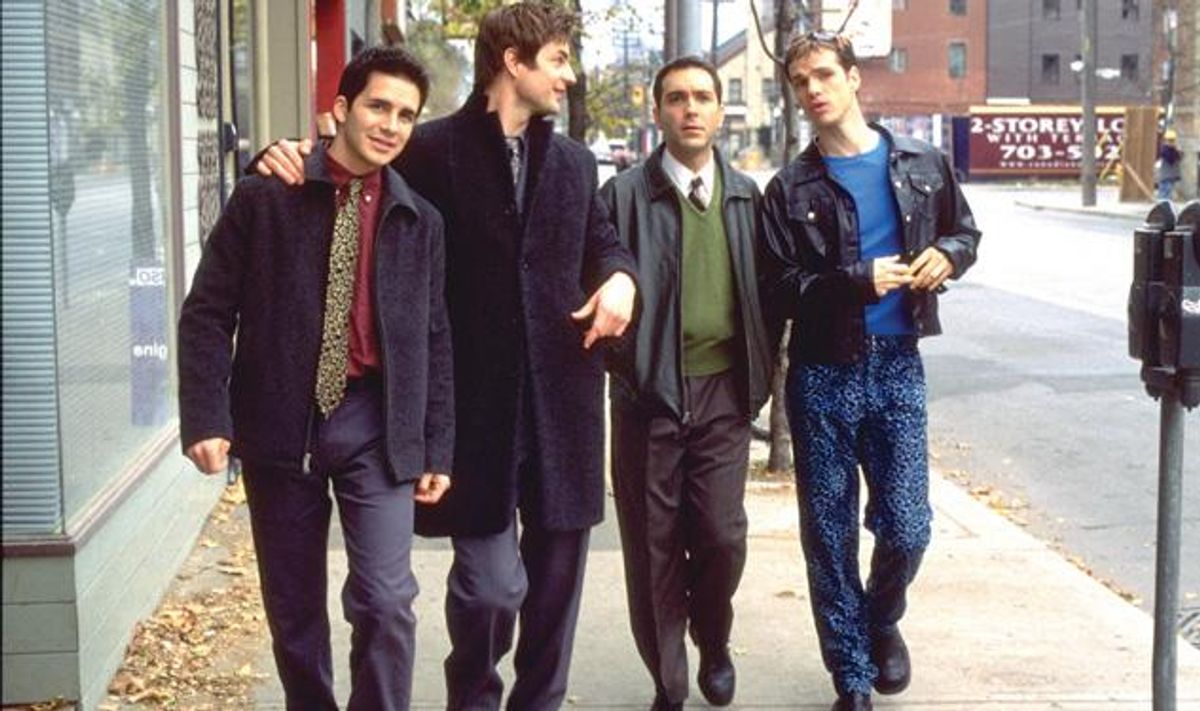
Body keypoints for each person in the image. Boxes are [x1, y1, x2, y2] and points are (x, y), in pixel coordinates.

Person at [253, 4, 637, 709]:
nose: (569, 76)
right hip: (471, 412)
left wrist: (621, 278)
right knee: (491, 590)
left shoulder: (577, 165)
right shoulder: (427, 150)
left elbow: (604, 244)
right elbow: (348, 171)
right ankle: (473, 697)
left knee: (555, 597)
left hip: (562, 409)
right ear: (513, 62)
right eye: (558, 60)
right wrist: (279, 156)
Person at [177, 46, 454, 711]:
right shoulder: (266, 196)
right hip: (280, 422)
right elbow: (208, 311)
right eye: (379, 107)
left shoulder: (420, 220)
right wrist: (207, 415)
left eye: (406, 115)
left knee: (387, 601)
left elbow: (435, 338)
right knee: (294, 610)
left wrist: (437, 444)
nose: (391, 125)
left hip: (376, 425)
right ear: (341, 109)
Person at [760, 33, 981, 711]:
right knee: (829, 536)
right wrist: (854, 280)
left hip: (898, 366)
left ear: (854, 78)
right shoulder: (789, 187)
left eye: (824, 75)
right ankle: (852, 678)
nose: (813, 89)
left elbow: (965, 232)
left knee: (908, 526)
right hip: (821, 373)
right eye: (801, 81)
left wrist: (949, 253)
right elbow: (777, 286)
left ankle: (880, 619)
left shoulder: (921, 162)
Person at [599, 56, 777, 711]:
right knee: (653, 545)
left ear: (720, 111)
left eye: (703, 96)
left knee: (721, 534)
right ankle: (669, 681)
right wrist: (626, 364)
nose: (691, 108)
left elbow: (771, 293)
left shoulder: (746, 197)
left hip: (724, 392)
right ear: (658, 112)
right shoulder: (621, 197)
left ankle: (714, 637)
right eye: (676, 98)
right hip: (648, 396)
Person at [1156, 128, 1182, 201]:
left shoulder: (1173, 149)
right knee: (1164, 192)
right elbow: (1171, 159)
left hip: (1170, 176)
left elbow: (1178, 158)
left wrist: (1177, 151)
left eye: (1172, 140)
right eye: (1169, 140)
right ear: (1166, 140)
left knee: (1168, 192)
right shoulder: (1165, 149)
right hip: (1166, 176)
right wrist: (1175, 150)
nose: (1171, 142)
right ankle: (1162, 204)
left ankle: (1165, 204)